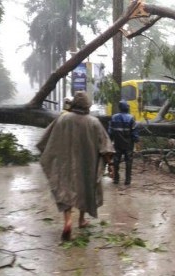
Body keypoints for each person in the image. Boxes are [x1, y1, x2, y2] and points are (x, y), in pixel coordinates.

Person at [37, 91, 114, 241]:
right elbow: (105, 147)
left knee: (65, 190)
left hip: (65, 164)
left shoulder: (62, 119)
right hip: (87, 165)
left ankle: (68, 222)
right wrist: (110, 164)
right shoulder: (94, 122)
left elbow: (45, 141)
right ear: (87, 106)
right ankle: (81, 220)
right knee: (84, 190)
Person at [108, 100, 139, 185]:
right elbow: (134, 132)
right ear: (127, 108)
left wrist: (110, 141)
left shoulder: (114, 117)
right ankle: (127, 180)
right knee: (128, 162)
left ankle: (116, 179)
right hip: (128, 144)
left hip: (117, 143)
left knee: (116, 161)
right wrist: (136, 140)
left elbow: (110, 132)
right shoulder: (131, 118)